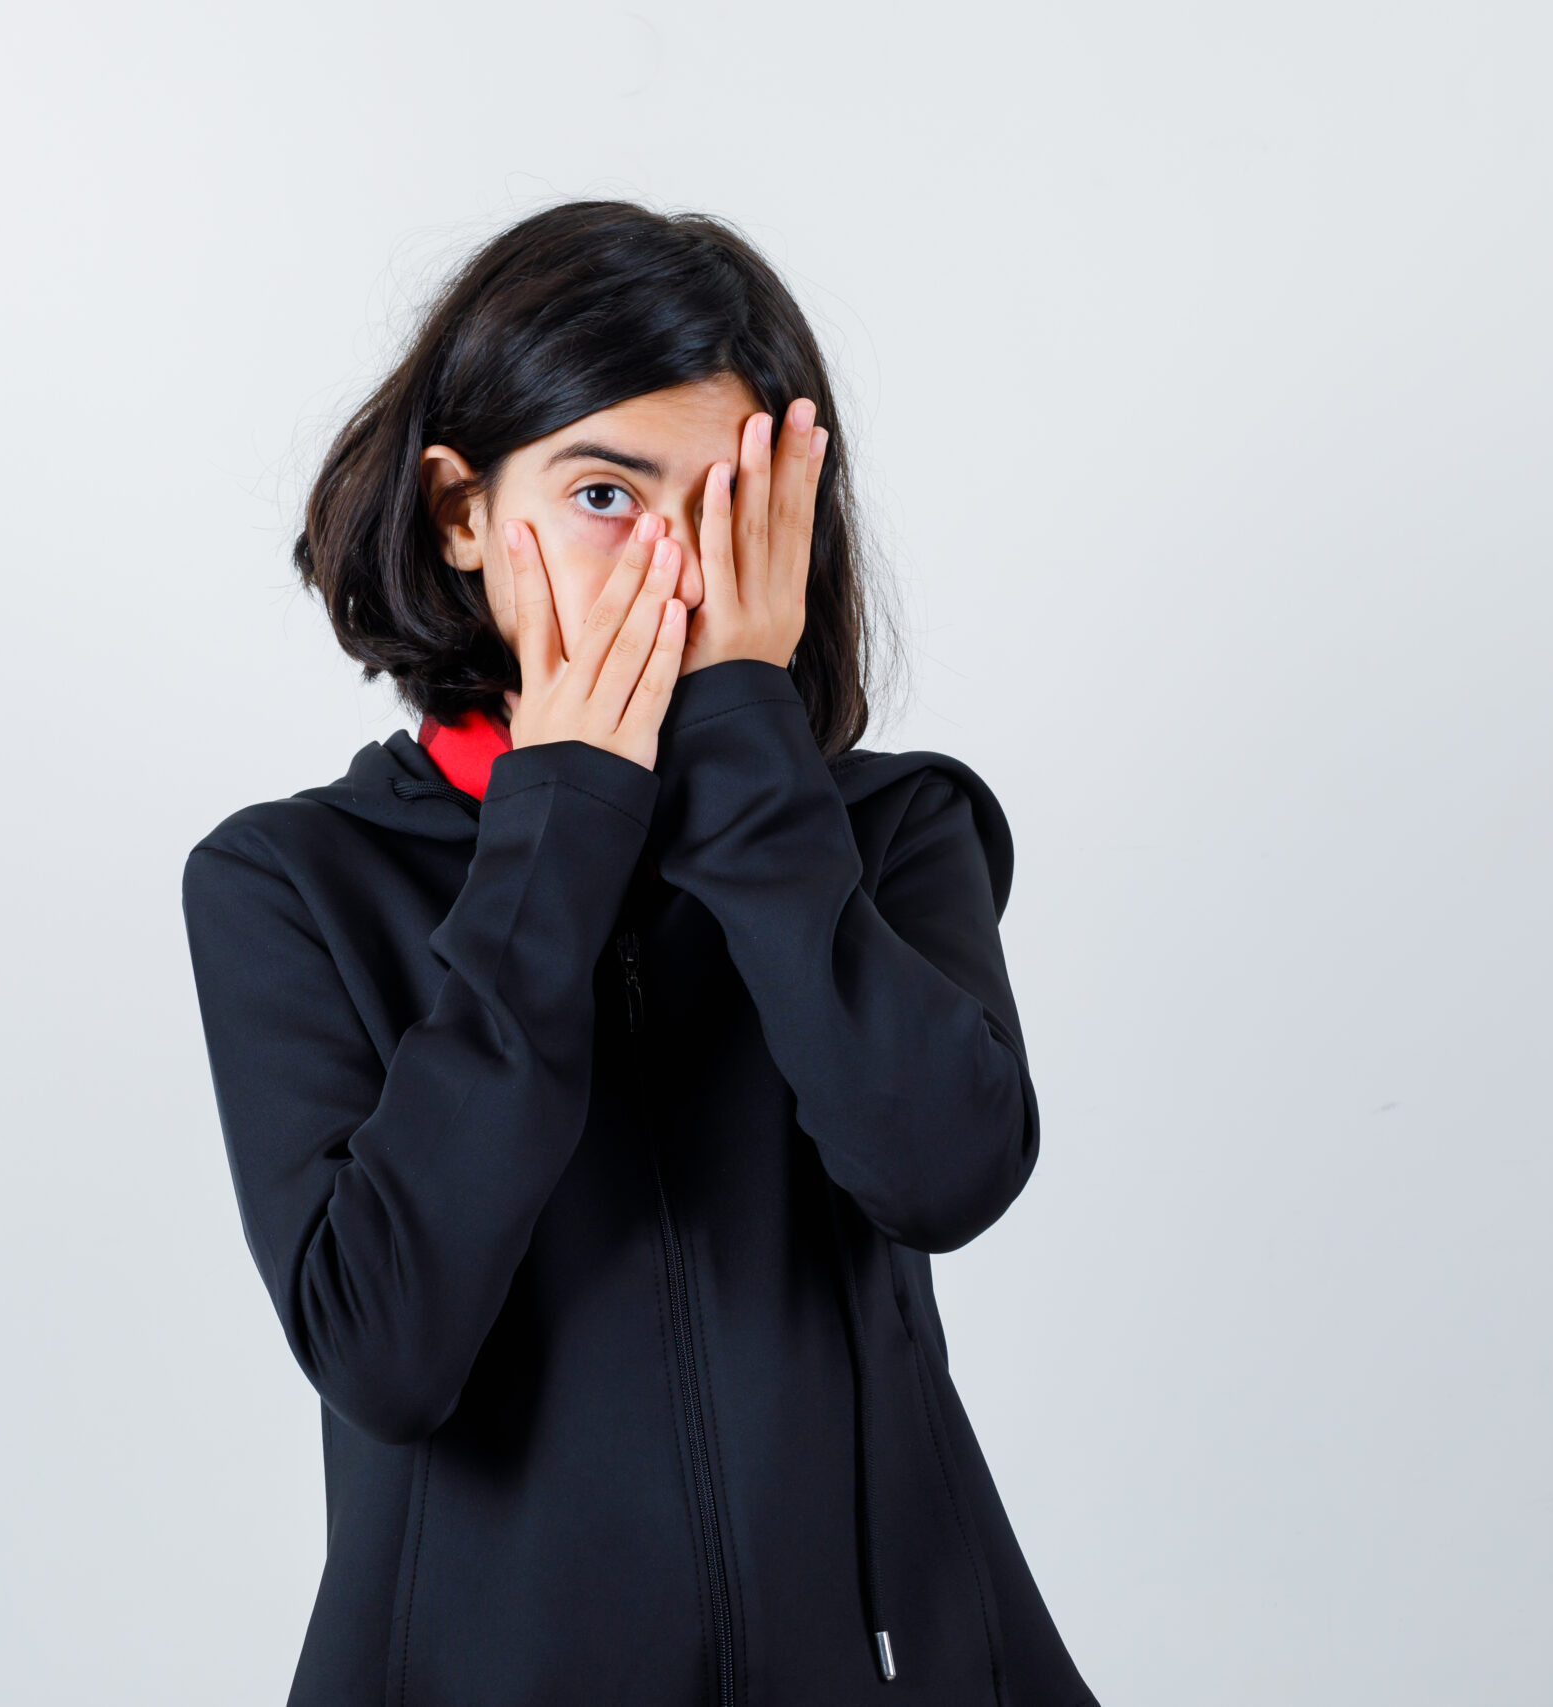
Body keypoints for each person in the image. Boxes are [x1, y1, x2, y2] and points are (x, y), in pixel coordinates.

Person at [183, 201, 1099, 1707]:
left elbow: (943, 1172)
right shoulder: (288, 882)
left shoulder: (893, 834)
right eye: (606, 492)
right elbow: (386, 1350)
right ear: (463, 512)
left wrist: (746, 756)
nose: (673, 564)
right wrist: (561, 823)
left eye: (732, 498)